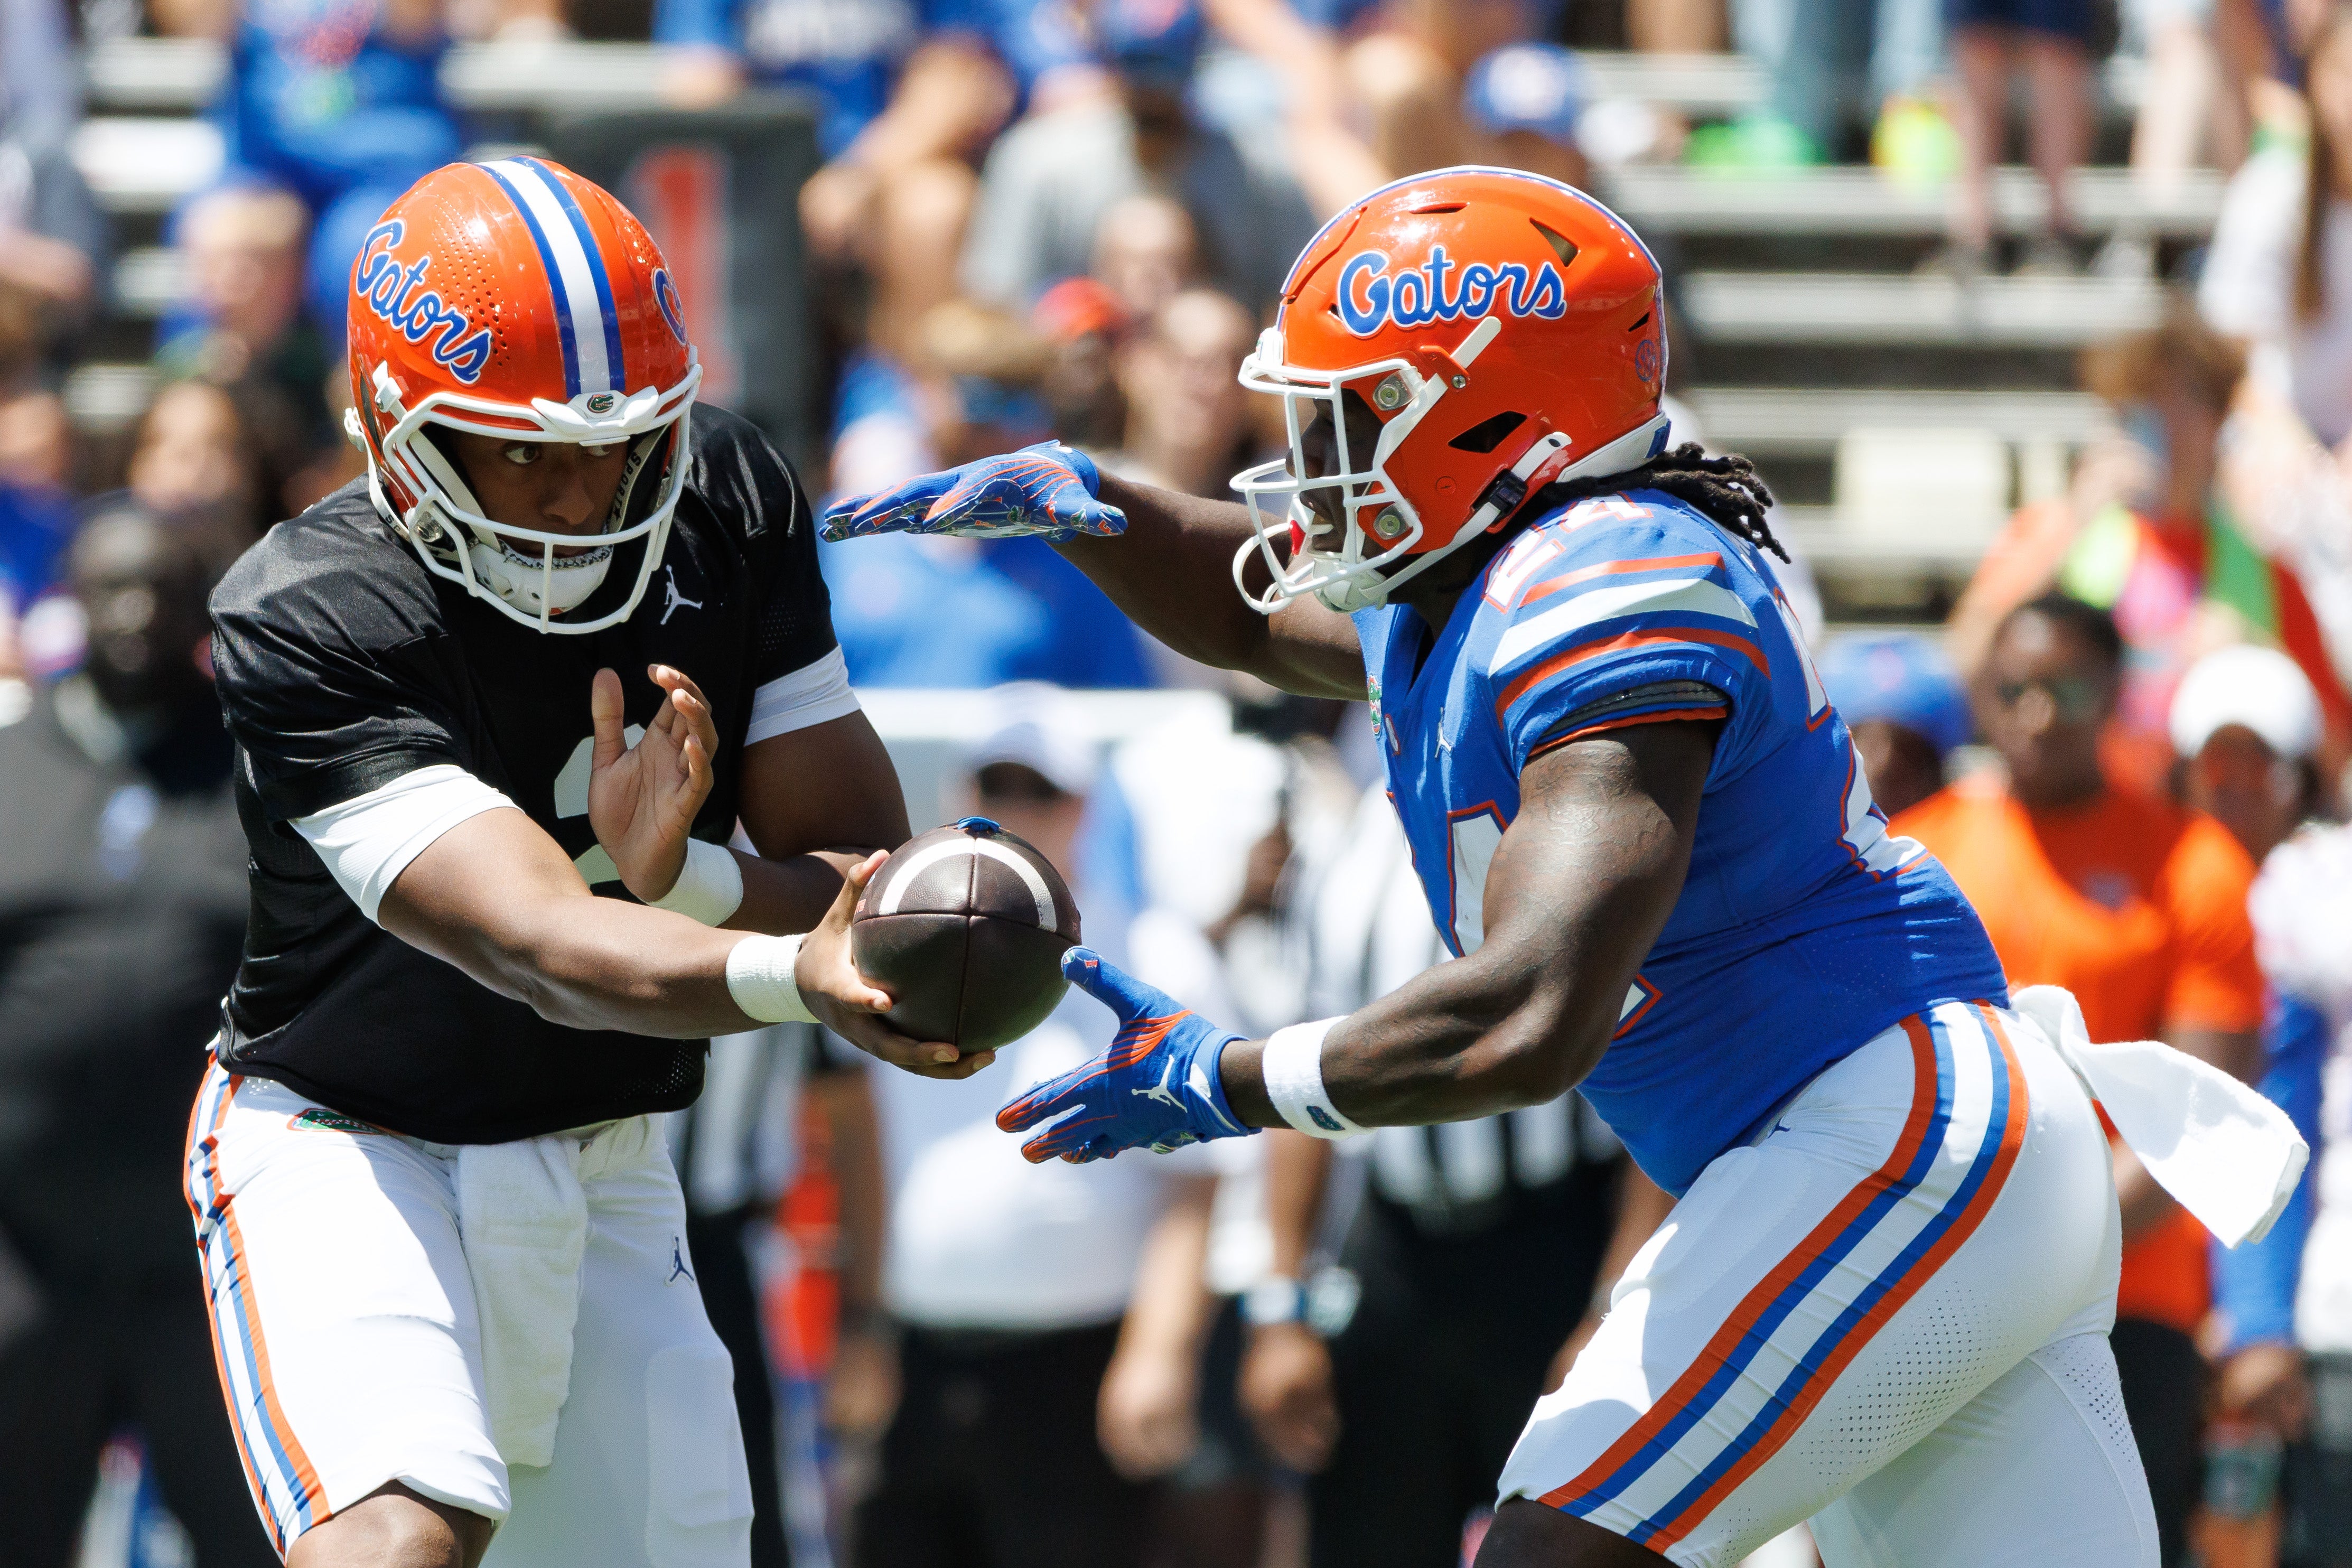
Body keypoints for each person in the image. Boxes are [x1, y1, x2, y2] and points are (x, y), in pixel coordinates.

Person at [825, 166, 2180, 1564]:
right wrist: (1091, 506)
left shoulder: (1611, 585)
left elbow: (1533, 1008)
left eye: (1348, 413)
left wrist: (1233, 1081)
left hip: (1886, 1142)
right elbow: (1252, 612)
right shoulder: (1488, 578)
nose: (1308, 455)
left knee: (1548, 1550)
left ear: (1487, 415)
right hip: (1897, 1154)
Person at [192, 158, 965, 1567]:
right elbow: (539, 945)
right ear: (396, 432)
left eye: (612, 444)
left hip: (605, 1154)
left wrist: (692, 879)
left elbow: (861, 875)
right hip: (351, 1141)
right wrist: (803, 968)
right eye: (520, 450)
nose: (576, 495)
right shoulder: (311, 611)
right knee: (395, 1540)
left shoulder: (724, 493)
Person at [1894, 595, 2268, 1567]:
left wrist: (2024, 1258)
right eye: (2012, 689)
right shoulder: (1919, 854)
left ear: (2112, 692)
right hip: (1937, 1294)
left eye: (2062, 687)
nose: (2036, 713)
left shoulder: (2193, 863)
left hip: (2122, 1307)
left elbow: (2190, 1123)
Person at [1243, 783, 1674, 1568]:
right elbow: (1298, 1079)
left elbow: (1667, 1076)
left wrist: (1614, 1304)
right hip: (1394, 1238)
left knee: (1575, 1541)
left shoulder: (1582, 824)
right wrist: (1280, 1304)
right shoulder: (1339, 847)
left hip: (1556, 1239)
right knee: (1366, 1532)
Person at [847, 687, 1228, 1568]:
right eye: (996, 787)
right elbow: (864, 1148)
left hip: (1077, 1367)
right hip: (918, 1355)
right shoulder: (890, 954)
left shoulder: (1155, 955)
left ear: (1084, 807)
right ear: (958, 799)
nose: (1016, 812)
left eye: (1039, 791)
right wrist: (861, 1327)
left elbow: (1194, 1186)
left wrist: (1159, 1352)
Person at [0, 503, 274, 1568]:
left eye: (160, 589)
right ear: (70, 593)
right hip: (26, 1258)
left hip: (207, 1265)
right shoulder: (12, 761)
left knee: (253, 1536)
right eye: (110, 587)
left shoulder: (256, 763)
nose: (132, 614)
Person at [1945, 308, 2352, 792]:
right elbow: (1962, 666)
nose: (2158, 426)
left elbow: (2334, 751)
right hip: (2082, 821)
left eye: (2178, 401)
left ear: (2218, 419)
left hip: (2196, 839)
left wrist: (2258, 660)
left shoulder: (2265, 573)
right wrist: (2068, 532)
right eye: (2138, 405)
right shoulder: (2055, 531)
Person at [2202, 1, 2352, 450]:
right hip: (2281, 438)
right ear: (2315, 82)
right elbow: (2230, 357)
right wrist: (2289, 444)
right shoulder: (2269, 191)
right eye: (2344, 73)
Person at [1815, 632, 1973, 816]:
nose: (1884, 764)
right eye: (1861, 744)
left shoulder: (1976, 834)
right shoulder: (1795, 835)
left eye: (1907, 750)